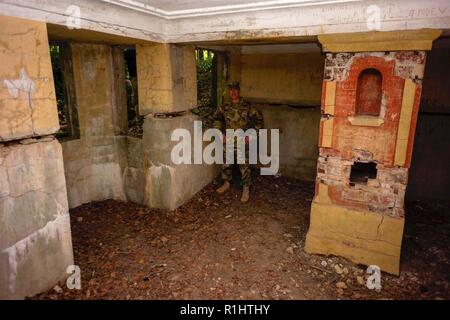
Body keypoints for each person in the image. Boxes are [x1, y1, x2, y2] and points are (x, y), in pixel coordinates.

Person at [213, 82, 263, 203]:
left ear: (239, 91)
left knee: (243, 165)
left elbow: (259, 120)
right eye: (231, 90)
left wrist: (251, 135)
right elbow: (217, 118)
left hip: (242, 139)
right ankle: (226, 183)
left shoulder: (247, 106)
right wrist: (220, 133)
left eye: (235, 90)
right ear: (228, 92)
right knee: (226, 163)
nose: (233, 93)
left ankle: (246, 188)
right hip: (229, 139)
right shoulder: (225, 106)